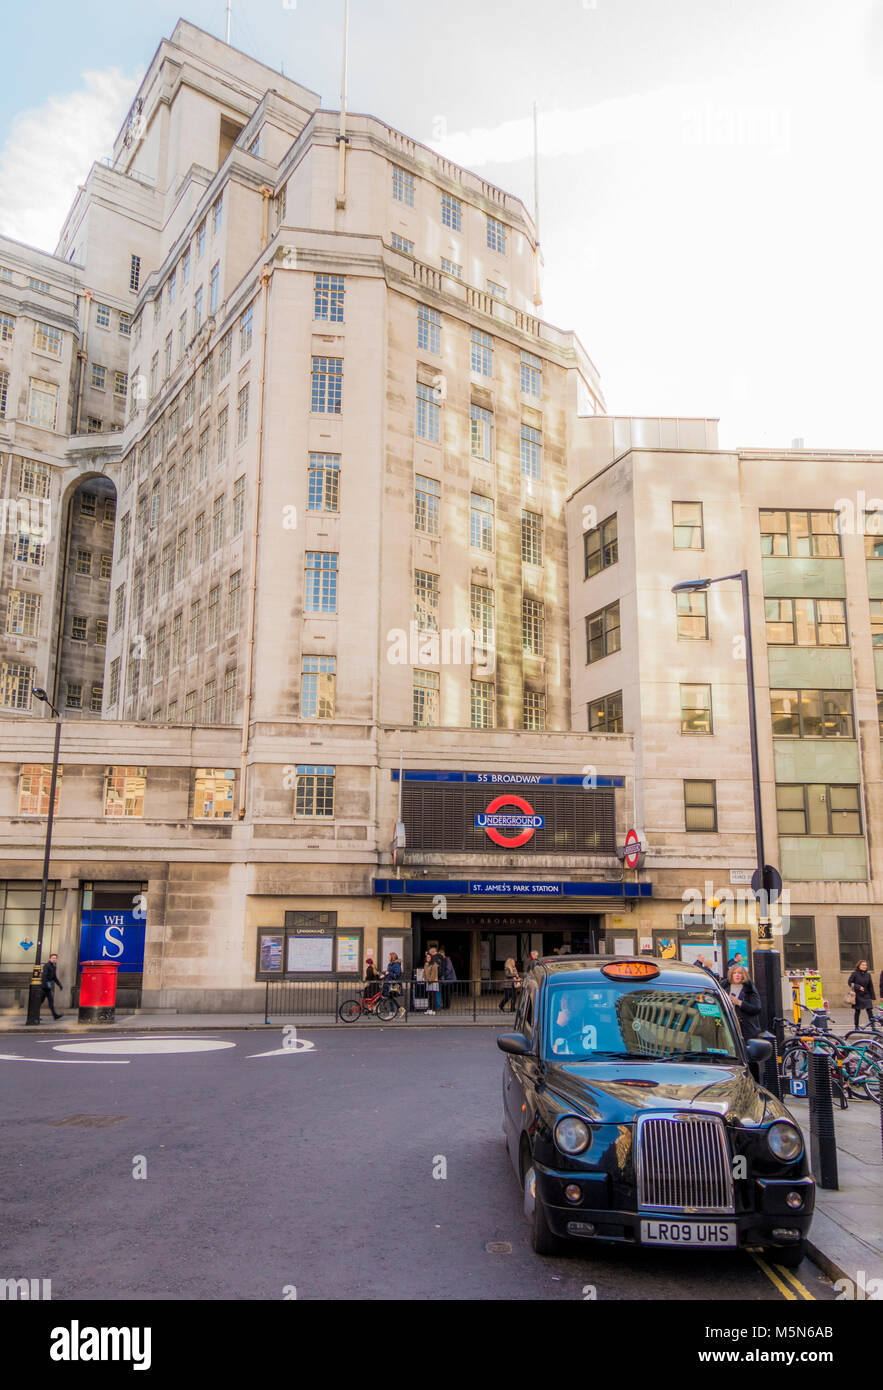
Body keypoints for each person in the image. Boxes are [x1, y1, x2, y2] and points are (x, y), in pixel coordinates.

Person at [726, 965, 763, 1041]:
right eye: (734, 973)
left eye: (740, 973)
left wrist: (739, 1002)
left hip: (746, 1028)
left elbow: (756, 1008)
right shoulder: (725, 986)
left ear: (744, 975)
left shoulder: (749, 988)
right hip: (729, 1025)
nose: (737, 975)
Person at [847, 960, 876, 1029]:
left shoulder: (868, 974)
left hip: (866, 995)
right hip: (857, 995)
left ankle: (873, 1026)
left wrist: (873, 997)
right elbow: (849, 982)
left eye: (865, 965)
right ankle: (856, 1026)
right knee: (857, 1011)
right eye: (862, 965)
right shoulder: (854, 973)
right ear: (859, 966)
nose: (864, 966)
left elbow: (870, 986)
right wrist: (858, 987)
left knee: (869, 1010)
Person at [40, 953, 64, 1021]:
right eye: (53, 958)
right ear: (50, 959)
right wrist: (46, 984)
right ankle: (35, 1015)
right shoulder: (46, 966)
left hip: (48, 987)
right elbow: (44, 976)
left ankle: (55, 1015)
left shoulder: (54, 966)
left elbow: (54, 977)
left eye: (55, 958)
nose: (54, 959)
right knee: (41, 1002)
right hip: (44, 987)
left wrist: (59, 985)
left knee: (49, 1001)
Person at [423, 950, 440, 1016]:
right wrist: (425, 979)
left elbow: (433, 974)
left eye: (429, 957)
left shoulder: (434, 964)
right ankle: (429, 1009)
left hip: (433, 982)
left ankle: (433, 1009)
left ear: (431, 958)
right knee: (429, 996)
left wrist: (429, 981)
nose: (428, 958)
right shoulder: (426, 964)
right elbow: (424, 973)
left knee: (433, 996)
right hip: (428, 982)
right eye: (427, 957)